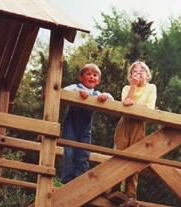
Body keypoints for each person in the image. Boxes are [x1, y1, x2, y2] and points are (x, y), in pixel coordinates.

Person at [110, 60, 157, 201]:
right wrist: (133, 86)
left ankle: (130, 195)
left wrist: (135, 105)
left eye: (141, 71)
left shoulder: (151, 88)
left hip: (139, 124)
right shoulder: (127, 88)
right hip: (125, 122)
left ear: (147, 75)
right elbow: (125, 103)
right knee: (119, 154)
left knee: (135, 157)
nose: (138, 73)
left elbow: (150, 108)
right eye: (135, 71)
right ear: (130, 76)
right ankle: (114, 189)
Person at [61, 63, 114, 184]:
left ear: (99, 80)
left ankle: (81, 180)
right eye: (88, 74)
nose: (92, 77)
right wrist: (79, 92)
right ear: (81, 77)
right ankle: (67, 180)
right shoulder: (76, 87)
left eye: (95, 75)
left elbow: (111, 100)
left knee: (84, 152)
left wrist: (105, 95)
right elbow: (64, 91)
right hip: (71, 124)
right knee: (69, 152)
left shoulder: (96, 94)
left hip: (86, 127)